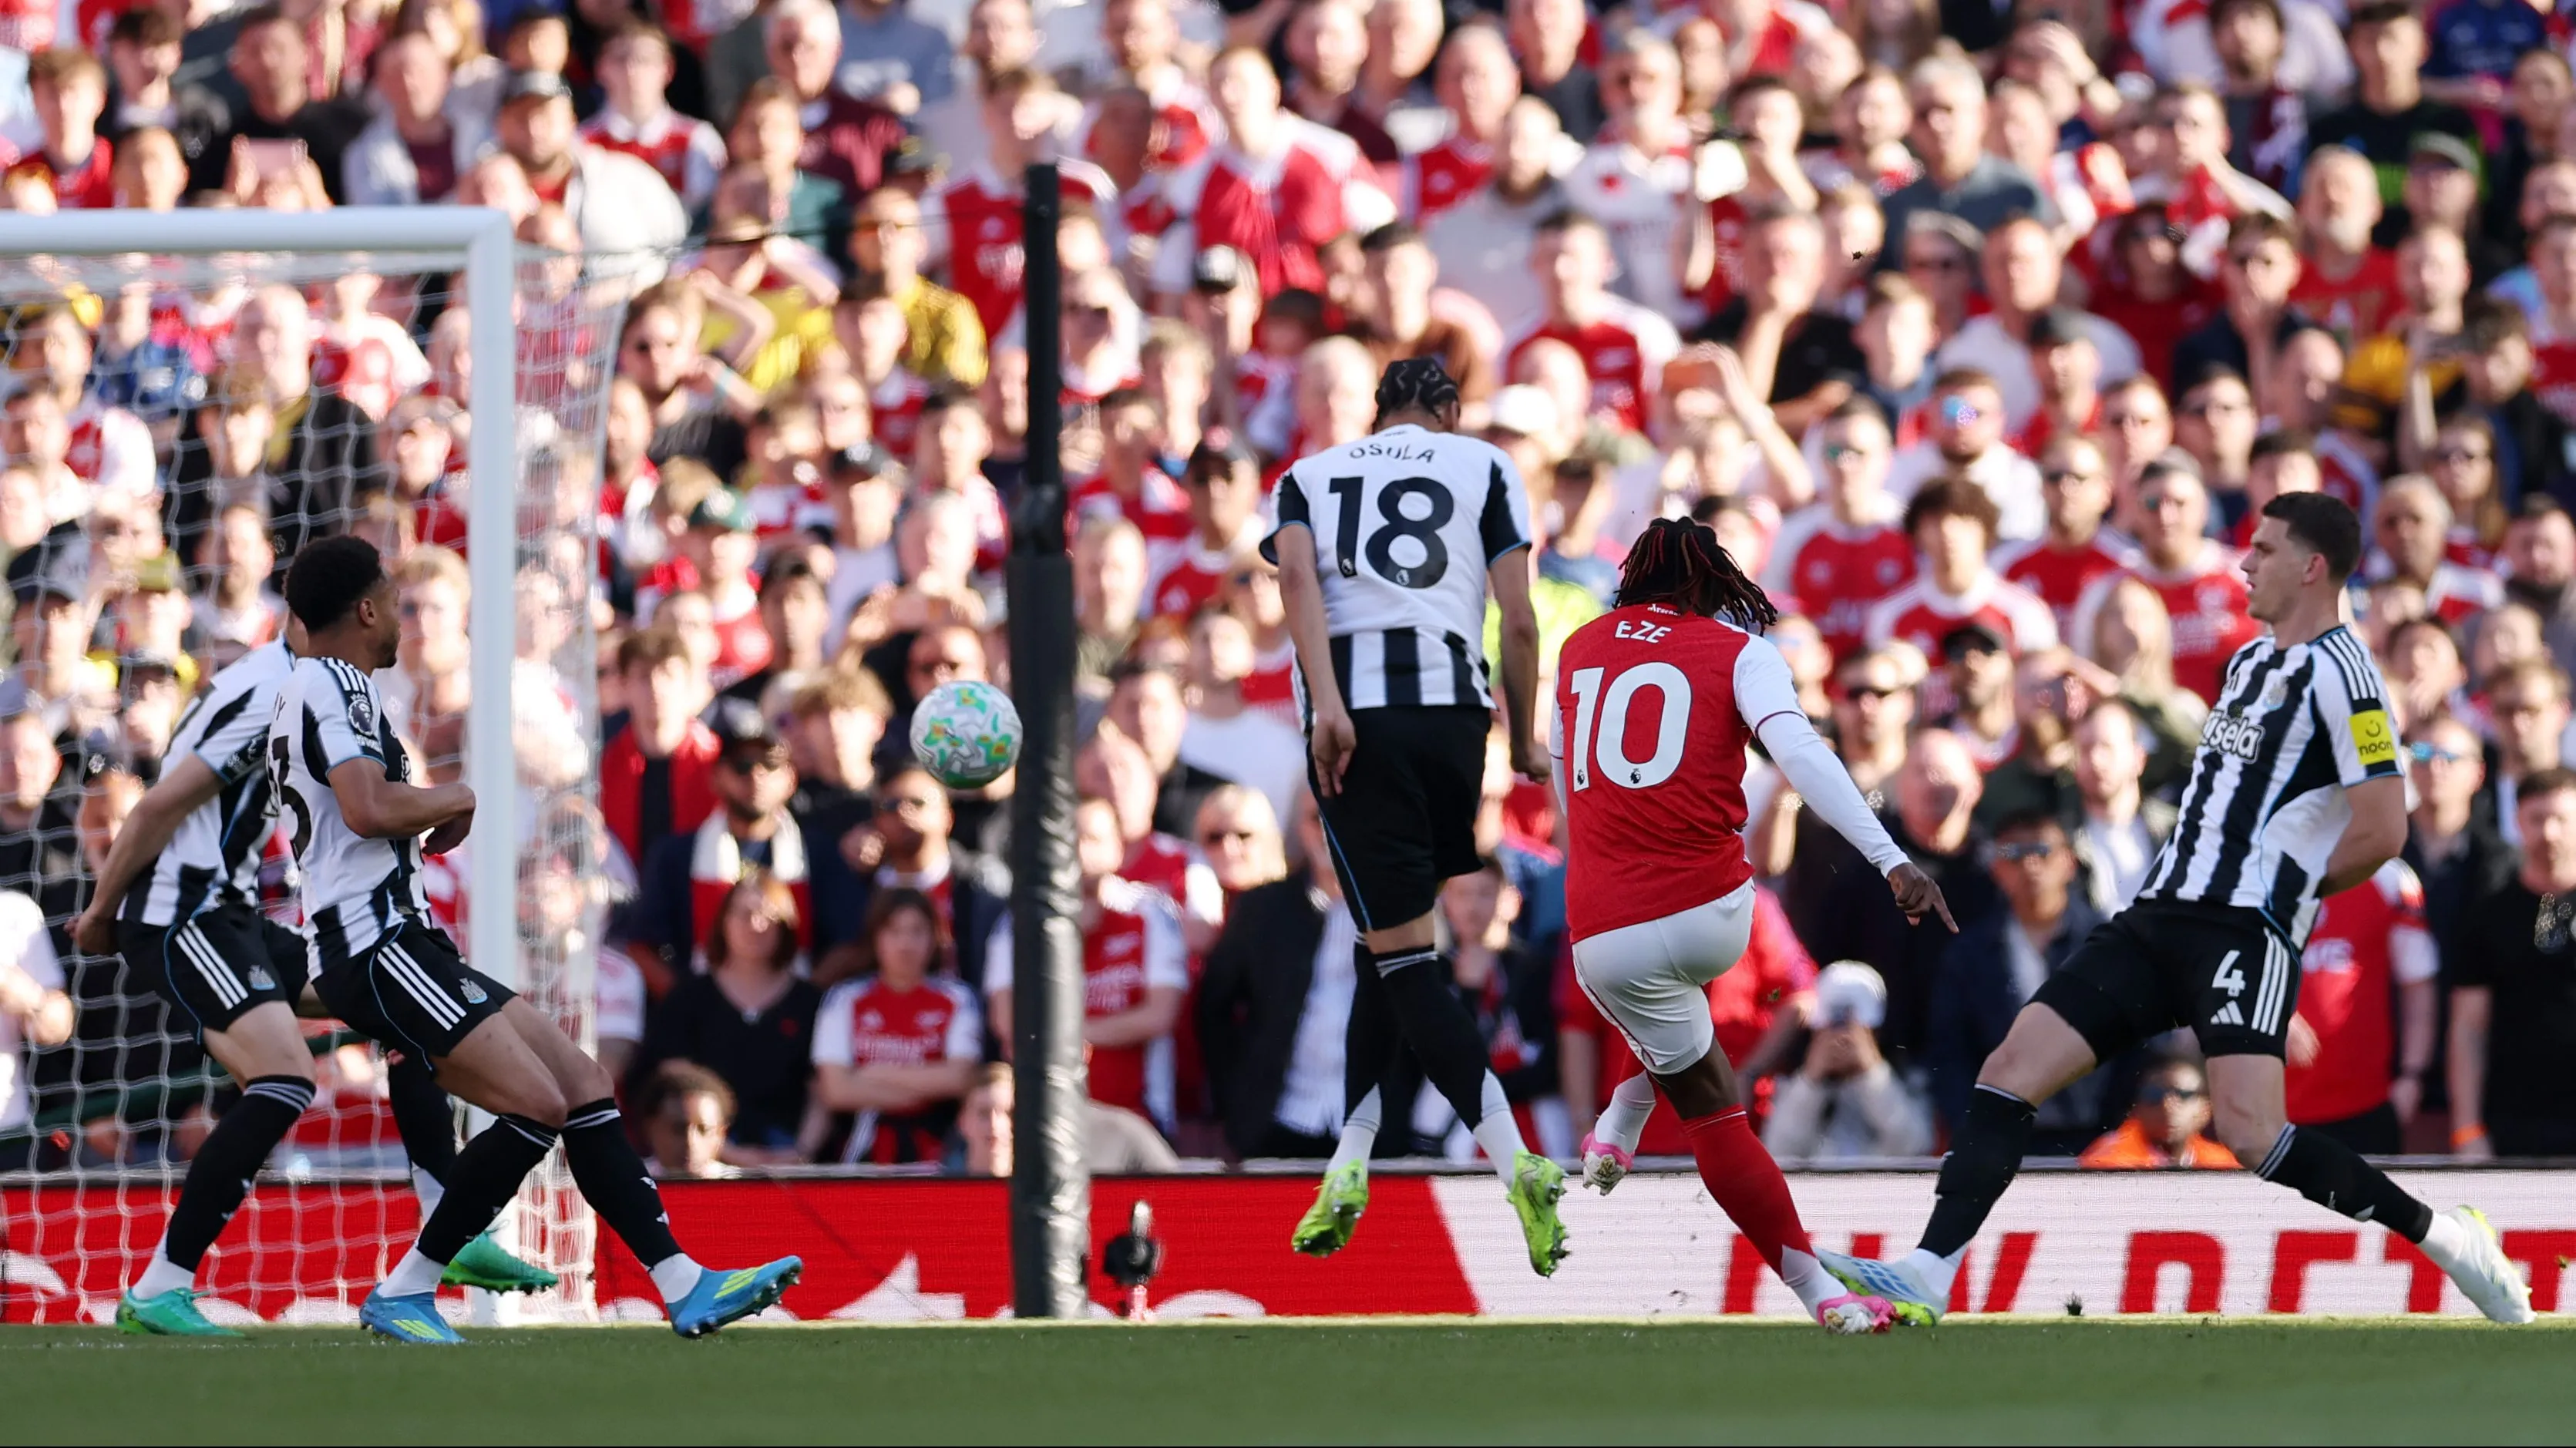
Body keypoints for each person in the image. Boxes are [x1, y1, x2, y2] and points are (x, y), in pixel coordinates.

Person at [1819, 492, 2537, 1328]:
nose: (2243, 562)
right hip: (2157, 914)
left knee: (2253, 1134)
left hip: (2241, 931)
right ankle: (1931, 1270)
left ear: (2312, 566)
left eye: (2264, 550)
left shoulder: (2346, 677)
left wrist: (2285, 898)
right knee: (2010, 1068)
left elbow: (2383, 826)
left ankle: (2450, 1239)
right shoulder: (2245, 664)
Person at [263, 536, 798, 1344]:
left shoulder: (325, 689)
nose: (405, 623)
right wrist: (458, 793)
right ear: (367, 608)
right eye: (396, 603)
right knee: (536, 1104)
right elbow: (368, 806)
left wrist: (430, 815)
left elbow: (370, 821)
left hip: (402, 938)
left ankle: (683, 1282)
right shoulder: (332, 684)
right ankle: (408, 1287)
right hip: (374, 945)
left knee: (580, 1081)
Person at [70, 637, 552, 1335]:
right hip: (183, 914)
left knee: (398, 1005)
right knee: (286, 1075)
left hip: (234, 917)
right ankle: (158, 1285)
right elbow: (152, 810)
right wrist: (97, 913)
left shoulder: (308, 692)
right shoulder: (275, 691)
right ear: (359, 613)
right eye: (387, 605)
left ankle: (452, 1225)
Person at [1553, 513, 1953, 1332]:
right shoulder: (1742, 652)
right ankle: (1825, 1296)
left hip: (1602, 931)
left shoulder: (1576, 649)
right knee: (1712, 1100)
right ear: (1710, 583)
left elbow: (1568, 786)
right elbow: (1802, 756)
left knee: (1669, 1027)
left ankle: (1621, 1125)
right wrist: (1892, 860)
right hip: (1712, 914)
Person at [1267, 358, 1565, 1276]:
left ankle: (1514, 1158)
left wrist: (1328, 706)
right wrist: (1522, 743)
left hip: (1358, 721)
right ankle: (1350, 1159)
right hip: (1454, 723)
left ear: (1376, 409)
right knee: (1391, 942)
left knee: (1400, 955)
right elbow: (1519, 623)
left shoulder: (1309, 477)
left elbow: (1298, 588)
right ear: (1449, 411)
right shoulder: (1486, 466)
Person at [1928, 811, 2122, 1156]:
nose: (2030, 864)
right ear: (1996, 870)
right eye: (2013, 854)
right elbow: (1949, 1051)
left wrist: (2116, 1131)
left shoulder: (2109, 946)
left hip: (2097, 1136)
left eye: (2042, 851)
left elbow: (2136, 1043)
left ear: (2069, 862)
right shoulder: (1968, 953)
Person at [631, 870, 822, 1162]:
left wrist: (800, 1153)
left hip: (790, 1156)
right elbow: (675, 1082)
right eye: (744, 914)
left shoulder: (811, 1003)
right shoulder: (689, 998)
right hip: (703, 1156)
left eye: (769, 917)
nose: (756, 925)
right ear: (724, 922)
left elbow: (821, 1090)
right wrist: (727, 1152)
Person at [2451, 768, 2576, 1159]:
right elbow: (2468, 1029)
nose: (2549, 833)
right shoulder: (2488, 916)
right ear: (2518, 823)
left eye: (2561, 818)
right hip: (2516, 1126)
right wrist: (2467, 1129)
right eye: (2537, 819)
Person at [810, 888, 980, 1164]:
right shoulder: (844, 998)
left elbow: (961, 1078)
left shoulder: (957, 998)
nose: (905, 943)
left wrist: (871, 1073)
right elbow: (835, 1090)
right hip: (863, 1153)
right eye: (894, 931)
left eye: (917, 931)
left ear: (934, 938)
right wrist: (928, 1088)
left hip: (941, 1152)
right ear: (875, 937)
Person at [2286, 861, 2438, 1154]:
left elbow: (2418, 984)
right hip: (2270, 1109)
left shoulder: (2387, 876)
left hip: (2367, 1105)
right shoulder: (2247, 870)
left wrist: (2412, 1076)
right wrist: (2272, 1016)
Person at [2077, 1055, 2241, 1168]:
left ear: (2206, 1109)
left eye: (2183, 1095)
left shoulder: (2224, 1165)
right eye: (2154, 1094)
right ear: (2136, 1108)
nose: (2167, 1105)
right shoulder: (2110, 1160)